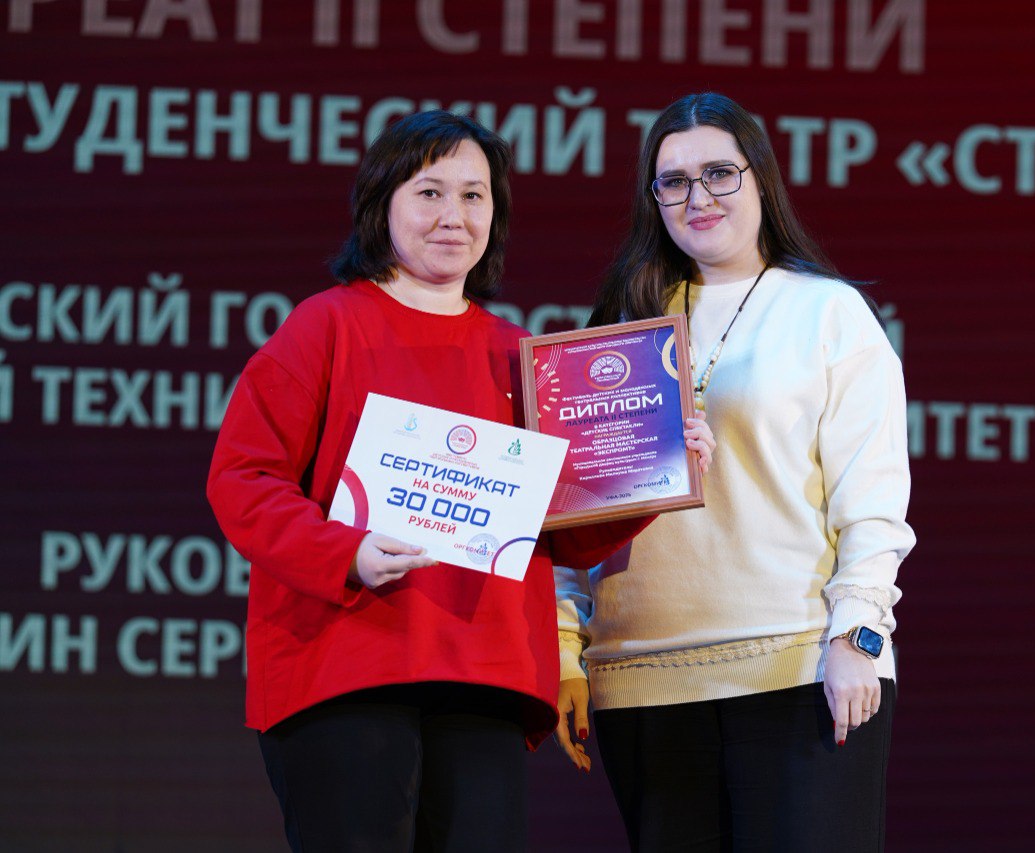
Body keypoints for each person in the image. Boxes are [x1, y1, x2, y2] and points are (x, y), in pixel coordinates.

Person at [206, 110, 715, 853]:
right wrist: (344, 552)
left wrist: (657, 466)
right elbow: (244, 479)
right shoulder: (325, 327)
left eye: (475, 196)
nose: (455, 216)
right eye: (430, 192)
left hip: (486, 678)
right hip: (345, 668)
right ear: (382, 204)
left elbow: (565, 534)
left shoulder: (524, 357)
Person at [553, 92, 915, 852]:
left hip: (797, 663)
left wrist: (857, 635)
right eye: (673, 181)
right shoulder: (621, 324)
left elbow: (872, 500)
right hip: (641, 676)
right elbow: (572, 513)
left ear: (760, 179)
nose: (699, 197)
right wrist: (564, 646)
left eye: (719, 173)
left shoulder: (828, 312)